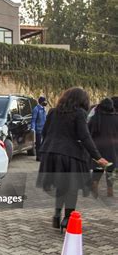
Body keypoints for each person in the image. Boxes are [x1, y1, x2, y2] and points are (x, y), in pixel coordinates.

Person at [37, 87, 109, 232]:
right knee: (72, 187)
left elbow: (45, 132)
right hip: (70, 155)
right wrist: (98, 157)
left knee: (60, 185)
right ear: (82, 100)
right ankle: (67, 219)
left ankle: (57, 215)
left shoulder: (52, 112)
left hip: (50, 153)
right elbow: (85, 137)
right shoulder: (79, 113)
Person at [88, 98, 117, 197]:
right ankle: (110, 190)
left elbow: (88, 133)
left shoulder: (95, 118)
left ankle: (94, 184)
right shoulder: (116, 118)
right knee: (111, 169)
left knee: (98, 168)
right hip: (113, 148)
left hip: (98, 149)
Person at [31, 96, 47, 161]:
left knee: (44, 143)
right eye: (44, 101)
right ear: (41, 102)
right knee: (38, 144)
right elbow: (33, 120)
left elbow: (45, 119)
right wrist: (33, 129)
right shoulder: (36, 109)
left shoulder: (44, 109)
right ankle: (38, 157)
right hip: (38, 129)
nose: (45, 103)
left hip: (44, 129)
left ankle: (42, 155)